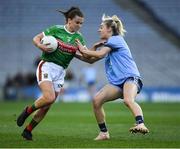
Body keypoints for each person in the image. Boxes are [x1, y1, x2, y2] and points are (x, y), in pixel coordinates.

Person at [16, 6, 88, 140]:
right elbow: (36, 38)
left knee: (47, 105)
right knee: (48, 97)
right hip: (47, 66)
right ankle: (27, 111)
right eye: (77, 22)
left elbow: (85, 57)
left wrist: (89, 53)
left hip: (61, 72)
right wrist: (40, 46)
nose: (79, 25)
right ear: (69, 20)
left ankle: (28, 130)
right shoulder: (56, 29)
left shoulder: (79, 38)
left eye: (81, 23)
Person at [76, 14, 149, 140]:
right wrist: (73, 53)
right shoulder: (109, 44)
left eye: (101, 27)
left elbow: (98, 55)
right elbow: (90, 60)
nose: (99, 29)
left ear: (109, 29)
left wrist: (83, 49)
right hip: (117, 83)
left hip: (130, 78)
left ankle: (141, 124)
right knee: (96, 100)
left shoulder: (116, 39)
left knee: (128, 100)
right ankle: (104, 133)